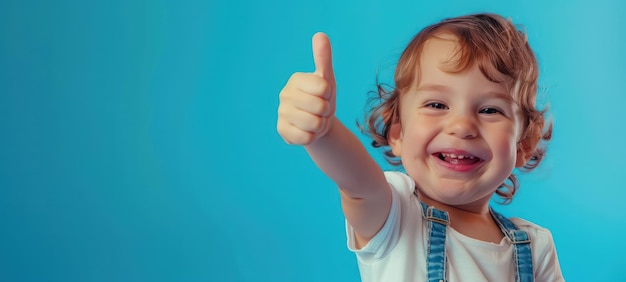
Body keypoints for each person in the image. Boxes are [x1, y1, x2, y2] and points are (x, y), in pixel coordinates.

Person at [276, 13, 564, 282]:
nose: (462, 126)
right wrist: (324, 133)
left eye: (490, 110)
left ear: (524, 144)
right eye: (437, 105)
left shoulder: (534, 245)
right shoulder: (395, 214)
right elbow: (358, 185)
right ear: (398, 132)